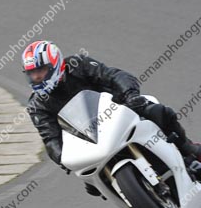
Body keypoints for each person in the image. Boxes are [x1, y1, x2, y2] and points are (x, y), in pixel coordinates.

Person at [22, 40, 201, 193]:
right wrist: (62, 158)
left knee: (159, 111)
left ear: (55, 65)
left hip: (119, 111)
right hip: (88, 140)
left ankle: (189, 151)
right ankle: (136, 199)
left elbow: (114, 76)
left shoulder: (78, 65)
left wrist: (130, 95)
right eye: (32, 73)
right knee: (93, 187)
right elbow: (50, 137)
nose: (36, 76)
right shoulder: (37, 105)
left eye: (41, 70)